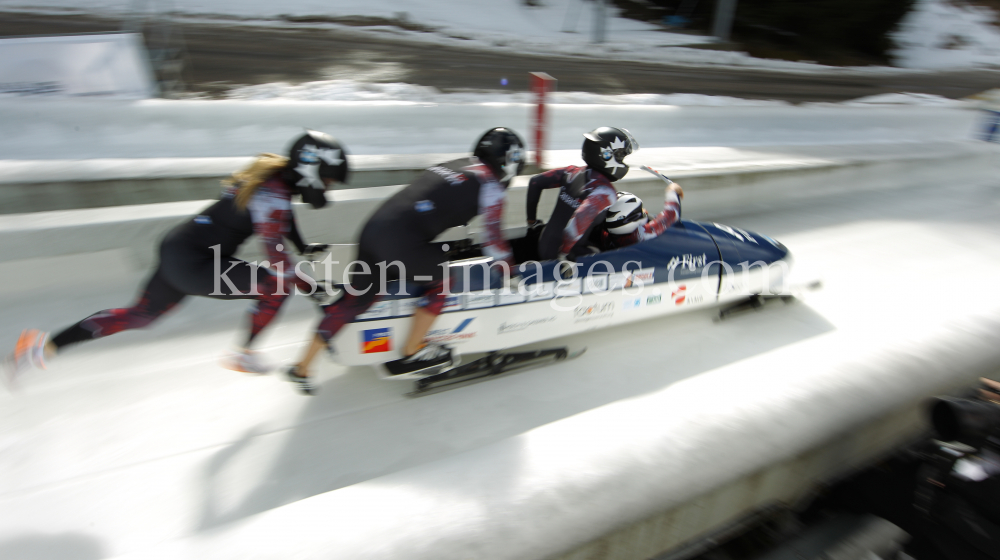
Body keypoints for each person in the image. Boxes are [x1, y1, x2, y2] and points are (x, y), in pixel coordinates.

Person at [3, 130, 349, 388]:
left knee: (141, 315)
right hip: (198, 262)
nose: (329, 188)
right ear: (311, 169)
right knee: (276, 286)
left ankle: (41, 346)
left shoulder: (270, 177)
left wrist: (303, 247)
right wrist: (312, 286)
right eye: (330, 180)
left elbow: (279, 220)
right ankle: (244, 353)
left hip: (177, 248)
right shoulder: (272, 198)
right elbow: (278, 259)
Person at [285, 127, 525, 395]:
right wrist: (509, 271)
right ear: (509, 162)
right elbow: (493, 238)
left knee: (354, 302)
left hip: (372, 231)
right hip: (401, 241)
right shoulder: (491, 186)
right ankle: (414, 349)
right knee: (443, 279)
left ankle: (301, 367)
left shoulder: (453, 164)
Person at [525, 126, 638, 261]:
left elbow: (535, 182)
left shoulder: (571, 172)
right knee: (608, 256)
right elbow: (579, 219)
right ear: (606, 155)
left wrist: (532, 222)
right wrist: (563, 255)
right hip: (564, 255)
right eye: (621, 156)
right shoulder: (605, 191)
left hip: (544, 243)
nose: (622, 161)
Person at [599, 180, 685, 251]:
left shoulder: (604, 235)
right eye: (639, 211)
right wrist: (672, 191)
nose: (645, 211)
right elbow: (671, 215)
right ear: (627, 221)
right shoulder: (638, 235)